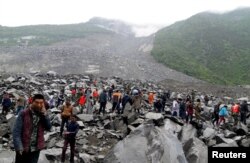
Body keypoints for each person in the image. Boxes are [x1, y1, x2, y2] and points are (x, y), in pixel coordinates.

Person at [13, 94, 51, 163]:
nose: (39, 105)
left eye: (41, 103)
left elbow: (48, 127)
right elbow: (16, 131)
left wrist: (45, 115)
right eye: (37, 102)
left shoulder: (43, 114)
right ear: (32, 102)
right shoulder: (23, 113)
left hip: (36, 149)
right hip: (23, 148)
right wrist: (19, 146)